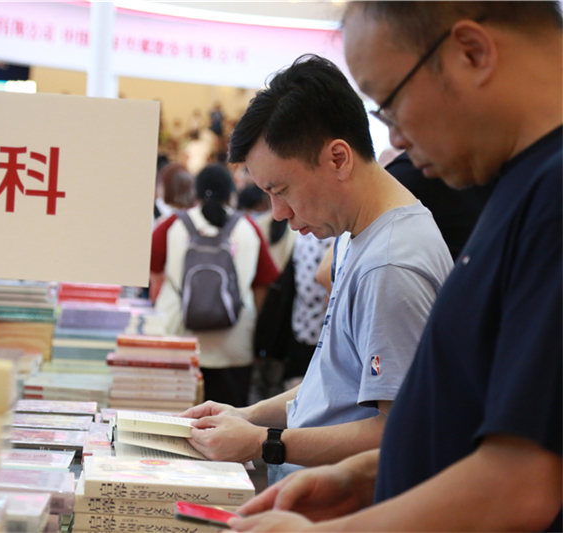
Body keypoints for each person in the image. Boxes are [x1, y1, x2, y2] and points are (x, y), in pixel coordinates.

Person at [230, 3, 562, 531]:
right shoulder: (517, 185)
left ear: (472, 52)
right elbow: (455, 425)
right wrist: (361, 476)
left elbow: (521, 483)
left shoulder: (550, 198)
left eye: (390, 104)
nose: (397, 140)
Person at [181, 55, 453, 483]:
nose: (277, 212)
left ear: (338, 158)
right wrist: (246, 416)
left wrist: (264, 442)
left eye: (281, 189)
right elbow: (334, 388)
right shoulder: (355, 236)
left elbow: (398, 432)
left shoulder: (389, 264)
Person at [150, 164, 280, 407]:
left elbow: (153, 271)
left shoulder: (171, 225)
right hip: (234, 344)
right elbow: (264, 283)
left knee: (175, 418)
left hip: (178, 340)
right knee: (228, 420)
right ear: (231, 194)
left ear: (196, 193)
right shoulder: (249, 228)